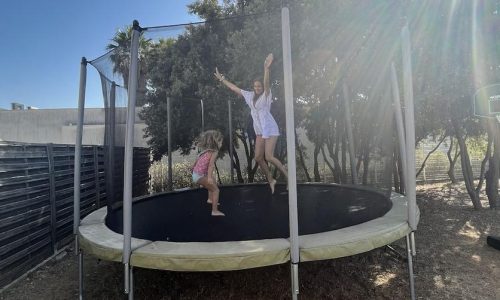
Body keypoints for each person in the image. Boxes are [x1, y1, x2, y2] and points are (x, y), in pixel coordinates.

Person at [214, 53, 287, 194]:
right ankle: (271, 179)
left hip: (270, 129)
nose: (257, 88)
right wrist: (222, 79)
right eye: (255, 86)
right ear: (253, 87)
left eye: (259, 86)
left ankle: (288, 175)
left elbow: (266, 84)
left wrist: (266, 69)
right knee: (258, 157)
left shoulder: (267, 95)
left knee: (269, 157)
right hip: (260, 131)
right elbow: (234, 88)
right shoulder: (249, 95)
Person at [192, 130, 225, 216]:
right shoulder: (214, 152)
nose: (221, 143)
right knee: (216, 190)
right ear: (216, 142)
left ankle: (210, 199)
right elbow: (211, 166)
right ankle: (214, 211)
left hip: (196, 174)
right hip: (199, 176)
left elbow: (198, 158)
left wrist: (193, 166)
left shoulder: (206, 151)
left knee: (213, 180)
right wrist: (209, 177)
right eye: (220, 141)